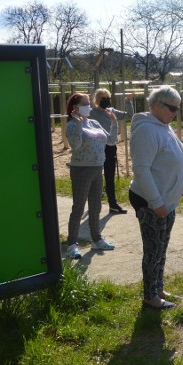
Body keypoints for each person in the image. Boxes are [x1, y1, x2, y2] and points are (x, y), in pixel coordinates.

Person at [128, 86, 183, 310]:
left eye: (177, 109)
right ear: (156, 105)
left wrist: (178, 184)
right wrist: (156, 203)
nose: (175, 113)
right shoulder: (146, 130)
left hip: (165, 200)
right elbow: (141, 170)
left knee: (161, 248)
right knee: (153, 250)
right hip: (151, 201)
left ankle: (158, 287)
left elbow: (171, 159)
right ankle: (150, 296)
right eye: (172, 108)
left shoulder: (163, 126)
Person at [64, 93, 115, 259]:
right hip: (82, 169)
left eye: (88, 103)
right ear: (75, 107)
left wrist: (114, 123)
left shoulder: (93, 122)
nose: (89, 106)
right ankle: (71, 244)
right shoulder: (72, 125)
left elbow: (110, 141)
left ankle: (97, 239)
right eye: (85, 103)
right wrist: (79, 125)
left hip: (97, 168)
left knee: (95, 206)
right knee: (78, 207)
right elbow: (76, 145)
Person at [90, 88, 135, 214]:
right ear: (97, 100)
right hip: (96, 147)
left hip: (110, 148)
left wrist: (128, 102)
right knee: (95, 176)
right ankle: (94, 201)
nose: (106, 101)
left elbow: (130, 116)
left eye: (107, 98)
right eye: (103, 98)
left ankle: (113, 204)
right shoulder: (92, 113)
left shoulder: (112, 111)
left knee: (110, 177)